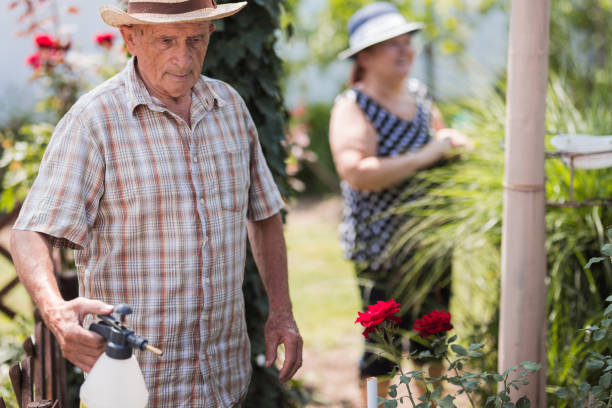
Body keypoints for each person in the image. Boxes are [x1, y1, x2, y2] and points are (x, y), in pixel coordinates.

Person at [10, 1, 302, 406]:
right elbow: (29, 233)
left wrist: (281, 312)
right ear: (131, 37)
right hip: (134, 389)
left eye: (196, 39)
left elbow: (265, 214)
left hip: (224, 381)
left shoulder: (230, 108)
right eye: (167, 40)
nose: (183, 58)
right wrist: (56, 313)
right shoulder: (94, 121)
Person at [329, 1, 472, 402]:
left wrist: (455, 146)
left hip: (430, 250)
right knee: (384, 351)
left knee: (432, 340)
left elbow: (442, 139)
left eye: (406, 41)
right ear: (365, 57)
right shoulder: (354, 106)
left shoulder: (420, 97)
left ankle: (430, 400)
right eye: (390, 44)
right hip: (383, 253)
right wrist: (424, 156)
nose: (403, 50)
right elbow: (356, 170)